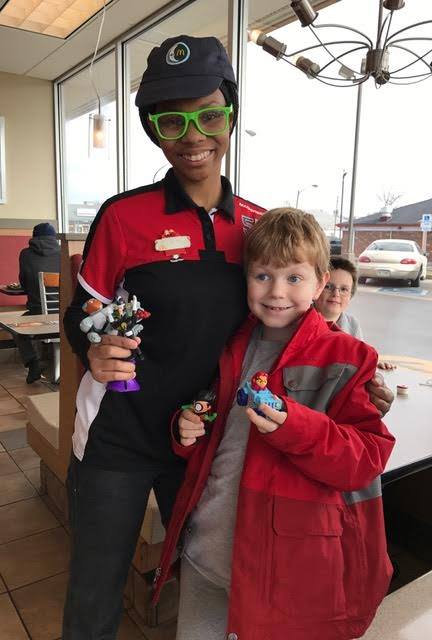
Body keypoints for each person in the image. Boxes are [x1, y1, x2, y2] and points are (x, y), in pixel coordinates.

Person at [62, 36, 393, 639]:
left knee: (204, 574)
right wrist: (92, 349)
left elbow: (296, 324)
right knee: (95, 592)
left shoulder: (256, 225)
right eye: (172, 121)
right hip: (119, 435)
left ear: (231, 117)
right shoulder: (123, 216)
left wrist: (357, 381)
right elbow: (83, 312)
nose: (193, 135)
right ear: (153, 129)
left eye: (209, 116)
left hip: (206, 444)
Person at [154, 208, 395, 640]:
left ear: (320, 283)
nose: (276, 292)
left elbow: (366, 459)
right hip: (204, 553)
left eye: (294, 278)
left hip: (281, 572)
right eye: (262, 276)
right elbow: (215, 431)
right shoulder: (228, 345)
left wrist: (295, 427)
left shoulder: (348, 357)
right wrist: (185, 429)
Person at [315, 256, 396, 369]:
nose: (336, 294)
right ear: (316, 288)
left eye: (344, 289)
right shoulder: (301, 320)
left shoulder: (352, 324)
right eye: (328, 287)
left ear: (350, 295)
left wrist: (373, 365)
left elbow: (360, 358)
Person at [16, 222, 60, 383]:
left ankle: (33, 364)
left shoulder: (26, 254)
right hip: (64, 314)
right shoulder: (64, 253)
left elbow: (24, 283)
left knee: (17, 327)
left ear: (34, 237)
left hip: (39, 315)